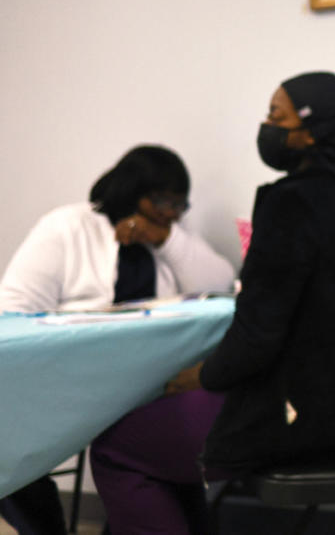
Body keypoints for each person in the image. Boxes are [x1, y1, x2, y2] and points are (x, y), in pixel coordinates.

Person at [168, 71, 335, 476]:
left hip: (303, 423)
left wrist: (203, 375)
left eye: (277, 116)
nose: (267, 127)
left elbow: (258, 333)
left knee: (123, 442)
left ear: (310, 132)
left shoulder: (290, 204)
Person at [0, 145, 233, 535]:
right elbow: (14, 309)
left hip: (143, 385)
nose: (172, 212)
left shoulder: (169, 235)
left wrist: (165, 240)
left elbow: (219, 283)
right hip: (65, 378)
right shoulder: (68, 226)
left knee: (155, 444)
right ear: (131, 189)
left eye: (180, 204)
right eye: (162, 200)